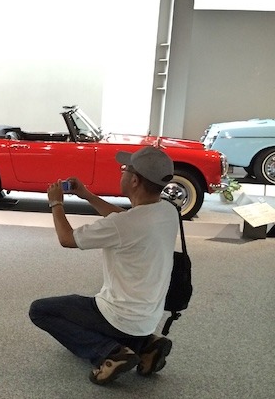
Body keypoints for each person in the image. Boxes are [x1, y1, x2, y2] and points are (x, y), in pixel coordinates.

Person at [28, 146, 181, 385]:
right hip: (149, 317)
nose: (121, 173)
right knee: (85, 310)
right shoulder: (167, 211)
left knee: (40, 310)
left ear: (134, 180)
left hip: (119, 316)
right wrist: (87, 195)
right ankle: (147, 344)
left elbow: (67, 239)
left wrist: (56, 203)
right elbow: (122, 218)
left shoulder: (125, 224)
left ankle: (109, 352)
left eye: (125, 170)